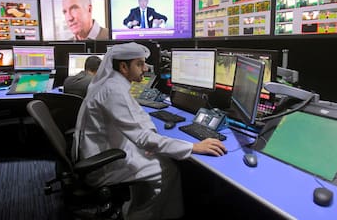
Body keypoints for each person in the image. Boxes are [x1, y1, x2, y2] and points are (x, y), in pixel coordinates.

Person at [73, 42, 226, 220]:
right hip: (102, 165)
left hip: (105, 150)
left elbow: (137, 113)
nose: (145, 68)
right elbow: (143, 137)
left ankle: (136, 210)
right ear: (123, 66)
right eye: (139, 64)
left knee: (161, 158)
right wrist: (193, 147)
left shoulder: (113, 83)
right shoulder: (113, 91)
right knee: (167, 169)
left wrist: (151, 135)